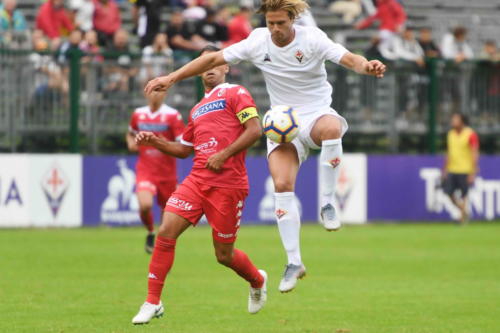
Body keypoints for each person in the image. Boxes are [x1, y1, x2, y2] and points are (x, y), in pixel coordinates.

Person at [144, 0, 386, 293]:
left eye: (280, 23)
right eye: (270, 23)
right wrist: (171, 78)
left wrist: (367, 65)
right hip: (283, 124)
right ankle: (294, 262)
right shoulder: (258, 40)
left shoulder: (313, 38)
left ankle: (327, 202)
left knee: (332, 129)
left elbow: (349, 59)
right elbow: (211, 59)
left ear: (292, 19)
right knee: (282, 185)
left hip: (315, 114)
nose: (275, 29)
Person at [131, 45, 267, 324]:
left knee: (224, 255)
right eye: (203, 64)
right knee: (166, 231)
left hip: (229, 184)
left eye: (214, 62)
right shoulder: (196, 109)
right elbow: (183, 149)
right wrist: (156, 141)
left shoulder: (236, 93)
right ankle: (152, 301)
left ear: (225, 66)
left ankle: (256, 280)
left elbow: (255, 130)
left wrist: (224, 154)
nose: (210, 67)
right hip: (197, 179)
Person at [126, 89, 184, 253]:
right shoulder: (138, 114)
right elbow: (130, 133)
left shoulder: (173, 115)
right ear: (146, 94)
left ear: (165, 94)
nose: (155, 95)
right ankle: (150, 231)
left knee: (167, 217)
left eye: (159, 91)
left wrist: (164, 143)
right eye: (152, 91)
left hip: (167, 172)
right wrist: (131, 142)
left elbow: (182, 145)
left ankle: (160, 243)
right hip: (146, 169)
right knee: (145, 205)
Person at [442, 113, 479, 224]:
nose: (453, 121)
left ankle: (462, 219)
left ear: (462, 121)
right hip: (452, 169)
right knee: (448, 193)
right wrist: (445, 168)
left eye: (455, 119)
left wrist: (473, 170)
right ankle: (464, 211)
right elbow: (449, 152)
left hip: (465, 169)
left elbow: (474, 152)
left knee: (464, 194)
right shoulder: (450, 134)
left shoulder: (470, 134)